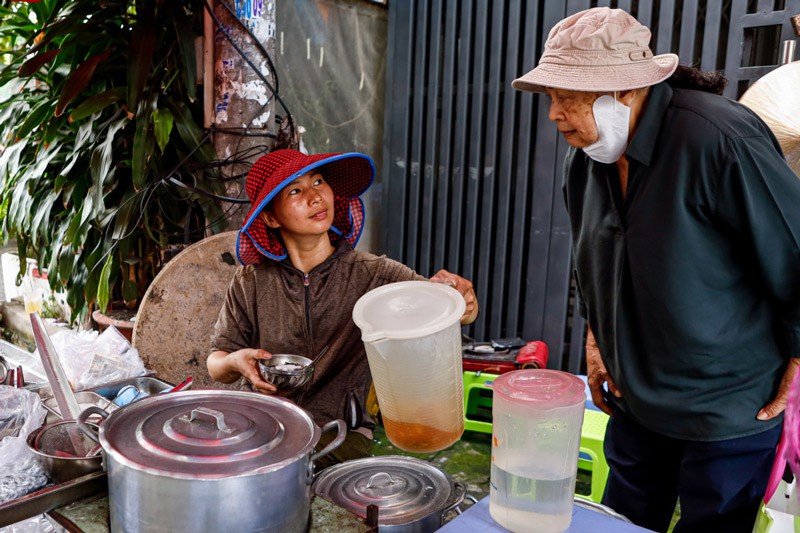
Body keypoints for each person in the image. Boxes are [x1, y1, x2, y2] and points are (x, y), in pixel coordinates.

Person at [512, 7, 800, 533]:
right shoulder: (589, 160)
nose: (554, 115)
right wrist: (598, 342)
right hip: (635, 400)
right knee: (617, 523)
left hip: (725, 409)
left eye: (567, 97)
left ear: (626, 89)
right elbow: (593, 262)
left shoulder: (719, 138)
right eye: (550, 98)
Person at [207, 149, 479, 467]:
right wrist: (236, 362)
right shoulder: (251, 280)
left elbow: (441, 306)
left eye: (319, 182)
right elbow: (217, 361)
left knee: (296, 475)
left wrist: (464, 302)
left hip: (339, 433)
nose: (315, 196)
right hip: (264, 424)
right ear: (270, 217)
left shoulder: (375, 273)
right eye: (295, 190)